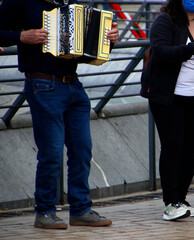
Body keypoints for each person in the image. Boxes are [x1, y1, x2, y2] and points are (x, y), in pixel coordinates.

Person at [0, 0, 119, 229]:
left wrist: (108, 41)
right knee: (52, 154)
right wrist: (22, 36)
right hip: (43, 85)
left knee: (82, 151)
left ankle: (80, 209)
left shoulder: (70, 5)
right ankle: (44, 212)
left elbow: (84, 53)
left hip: (74, 86)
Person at [140, 0, 194, 220]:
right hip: (169, 98)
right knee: (173, 147)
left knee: (192, 149)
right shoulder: (165, 21)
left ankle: (181, 199)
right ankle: (171, 202)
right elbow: (160, 52)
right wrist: (192, 49)